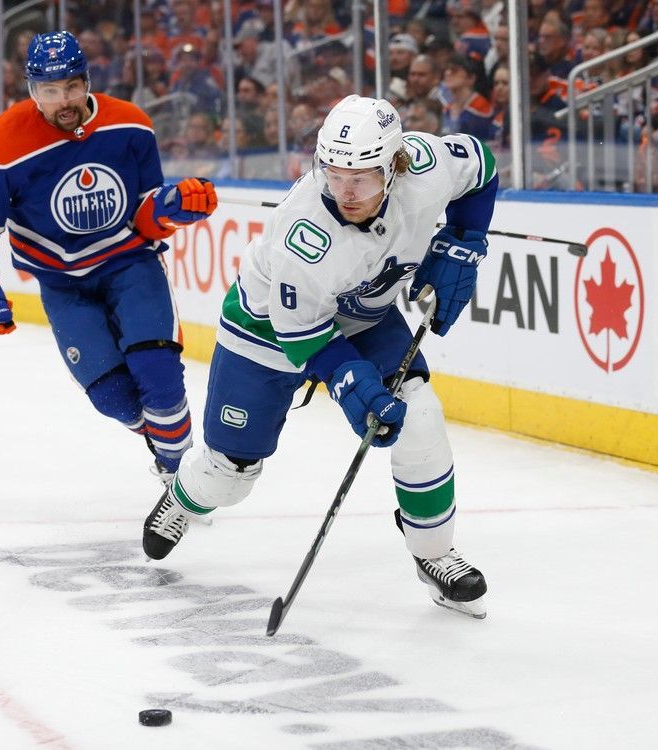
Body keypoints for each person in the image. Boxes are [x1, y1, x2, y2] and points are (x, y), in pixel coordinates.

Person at [142, 94, 497, 619]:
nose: (346, 191)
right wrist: (351, 383)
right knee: (230, 475)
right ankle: (183, 497)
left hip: (365, 315)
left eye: (362, 177)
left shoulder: (427, 167)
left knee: (420, 415)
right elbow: (304, 339)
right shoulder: (302, 234)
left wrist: (464, 240)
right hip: (266, 333)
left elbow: (483, 167)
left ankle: (434, 554)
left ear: (395, 165)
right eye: (333, 173)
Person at [0, 30, 218, 482]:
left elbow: (144, 212)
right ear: (33, 91)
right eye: (50, 91)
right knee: (112, 396)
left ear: (86, 80)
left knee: (159, 375)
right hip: (62, 282)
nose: (64, 100)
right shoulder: (5, 143)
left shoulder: (130, 125)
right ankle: (165, 446)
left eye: (72, 86)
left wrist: (172, 208)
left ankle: (182, 481)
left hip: (130, 264)